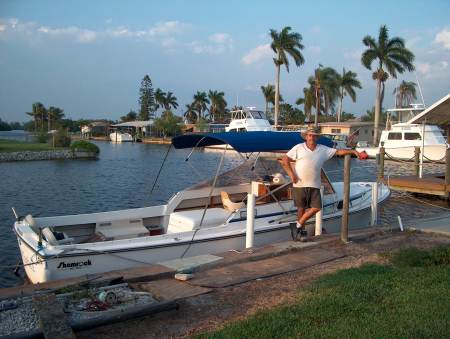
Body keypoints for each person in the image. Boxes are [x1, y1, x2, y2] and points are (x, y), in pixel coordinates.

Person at [281, 126, 363, 241]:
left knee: (316, 207)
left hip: (314, 184)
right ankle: (300, 231)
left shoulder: (323, 149)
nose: (312, 138)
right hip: (299, 183)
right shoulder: (298, 147)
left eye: (314, 136)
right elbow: (285, 160)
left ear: (317, 137)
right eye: (310, 135)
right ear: (306, 137)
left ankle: (298, 224)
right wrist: (291, 175)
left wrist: (353, 151)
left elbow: (339, 152)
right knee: (301, 208)